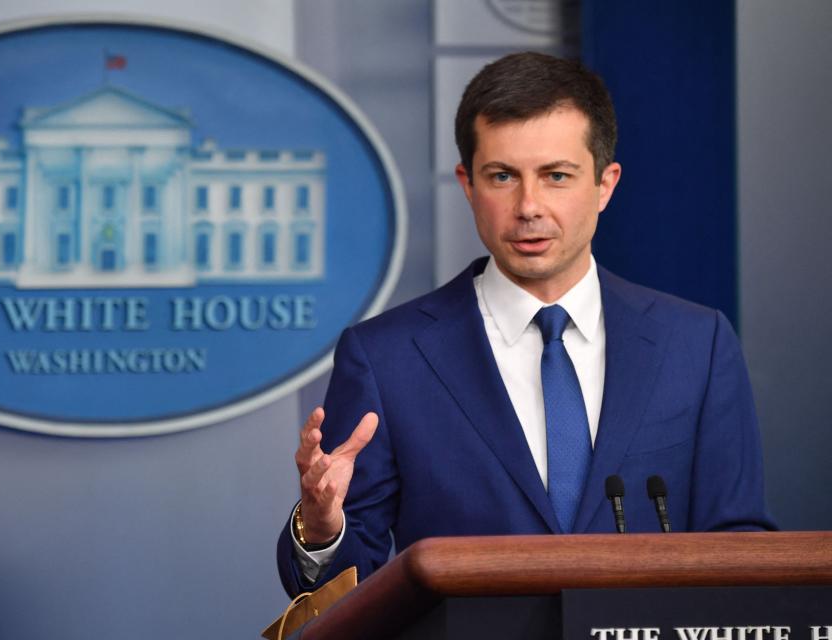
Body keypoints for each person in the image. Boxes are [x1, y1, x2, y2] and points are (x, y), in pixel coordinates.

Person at [277, 51, 774, 597]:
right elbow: (346, 592)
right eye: (502, 176)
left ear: (605, 185)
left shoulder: (696, 344)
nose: (528, 206)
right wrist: (321, 528)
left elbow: (740, 545)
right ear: (467, 184)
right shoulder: (387, 358)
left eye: (556, 176)